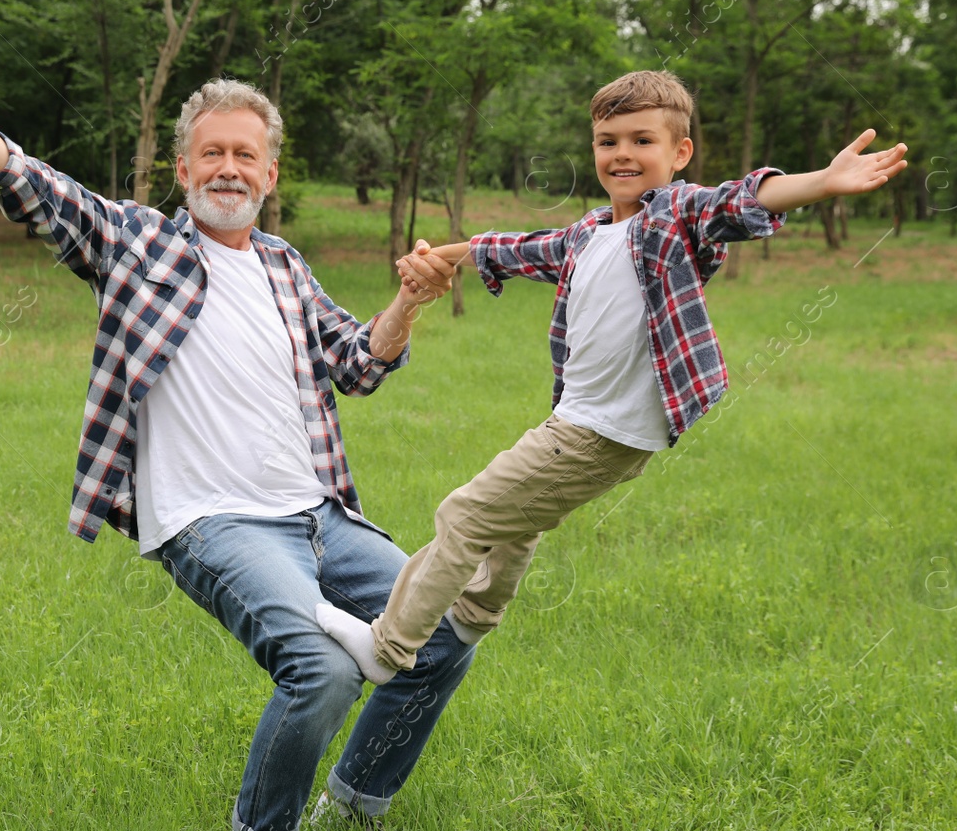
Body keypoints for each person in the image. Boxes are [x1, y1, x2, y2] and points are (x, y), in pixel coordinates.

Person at [0, 0, 476, 831]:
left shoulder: (288, 268)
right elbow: (13, 171)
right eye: (211, 153)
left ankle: (359, 797)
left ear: (270, 173)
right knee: (323, 671)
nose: (228, 169)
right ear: (183, 168)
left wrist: (406, 302)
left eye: (245, 156)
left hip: (318, 513)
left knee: (445, 627)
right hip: (214, 521)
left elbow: (360, 363)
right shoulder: (136, 243)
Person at [317, 69, 909, 684]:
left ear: (680, 153)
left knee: (464, 517)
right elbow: (520, 247)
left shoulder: (673, 217)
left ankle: (387, 650)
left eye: (641, 140)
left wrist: (821, 183)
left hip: (604, 429)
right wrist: (446, 256)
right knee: (520, 517)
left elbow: (740, 201)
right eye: (608, 141)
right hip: (581, 419)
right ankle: (473, 614)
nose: (622, 153)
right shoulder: (589, 232)